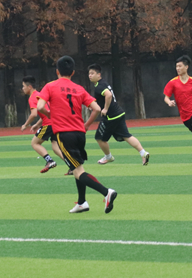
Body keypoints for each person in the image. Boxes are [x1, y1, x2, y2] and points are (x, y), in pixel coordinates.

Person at [36, 56, 118, 214]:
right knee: (77, 167)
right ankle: (82, 202)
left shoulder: (50, 86)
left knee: (78, 171)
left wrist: (50, 115)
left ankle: (106, 192)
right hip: (80, 133)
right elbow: (96, 109)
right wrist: (86, 125)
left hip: (64, 134)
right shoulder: (79, 88)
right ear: (73, 72)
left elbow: (40, 107)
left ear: (57, 71)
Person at [87, 64, 150, 166]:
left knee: (99, 138)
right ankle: (143, 153)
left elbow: (108, 95)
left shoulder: (99, 86)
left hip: (111, 117)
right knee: (126, 136)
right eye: (89, 73)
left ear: (99, 75)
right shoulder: (103, 83)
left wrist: (105, 109)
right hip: (119, 113)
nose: (90, 75)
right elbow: (103, 98)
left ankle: (108, 157)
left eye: (92, 73)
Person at [20, 75, 65, 173]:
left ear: (29, 87)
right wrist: (37, 124)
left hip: (48, 124)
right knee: (55, 146)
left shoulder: (32, 97)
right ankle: (72, 166)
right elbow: (46, 111)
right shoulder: (41, 94)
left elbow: (34, 114)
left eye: (23, 86)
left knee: (35, 143)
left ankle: (50, 161)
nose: (22, 88)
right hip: (55, 122)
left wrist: (25, 124)